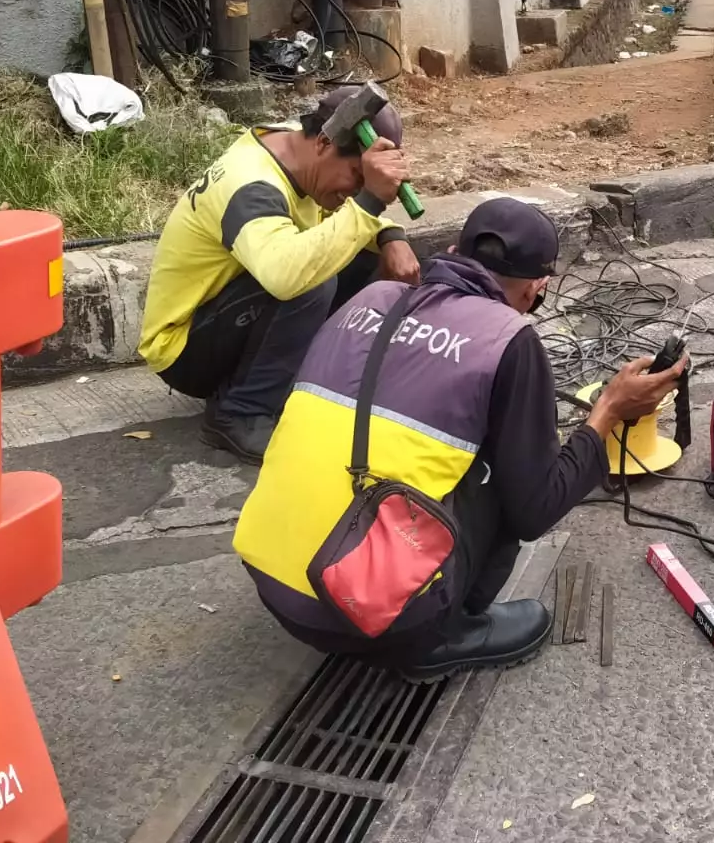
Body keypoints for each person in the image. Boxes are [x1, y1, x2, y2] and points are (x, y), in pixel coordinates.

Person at [233, 197, 687, 681]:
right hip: (376, 618)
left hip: (278, 589)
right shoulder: (508, 338)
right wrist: (610, 410)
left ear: (453, 250)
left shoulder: (368, 299)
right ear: (538, 287)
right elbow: (535, 510)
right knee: (508, 469)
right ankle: (441, 632)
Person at [137, 85, 421, 464]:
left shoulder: (297, 144)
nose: (354, 191)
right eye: (356, 176)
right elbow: (286, 275)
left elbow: (350, 223)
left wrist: (390, 235)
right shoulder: (250, 185)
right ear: (323, 143)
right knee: (311, 278)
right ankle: (241, 412)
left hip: (227, 316)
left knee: (361, 246)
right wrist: (369, 201)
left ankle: (304, 379)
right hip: (184, 349)